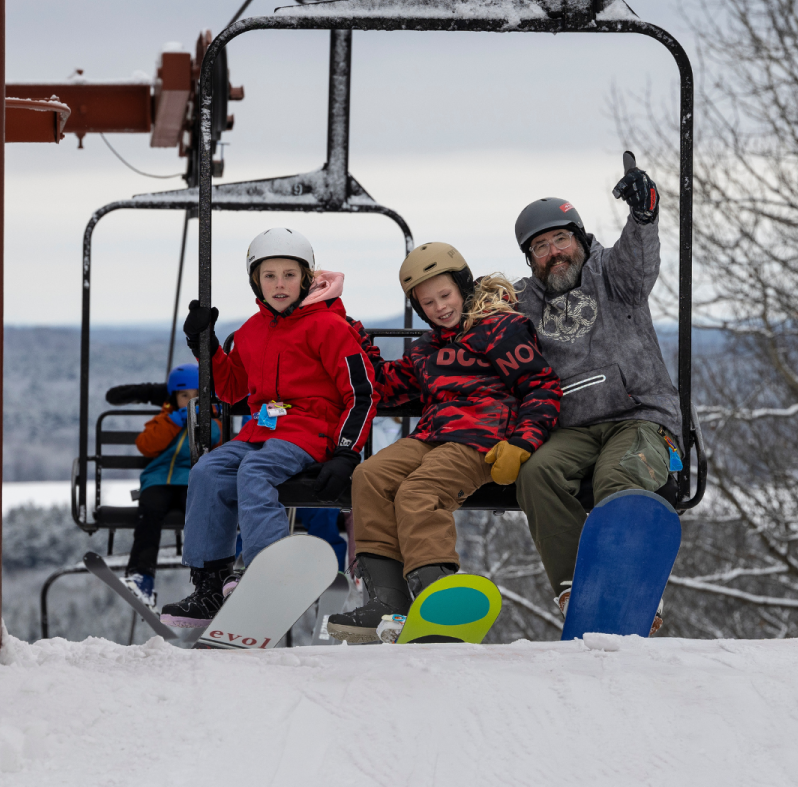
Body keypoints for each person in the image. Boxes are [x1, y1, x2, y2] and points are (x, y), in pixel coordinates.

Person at [326, 242, 562, 643]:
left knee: (418, 491)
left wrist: (522, 442)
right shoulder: (427, 351)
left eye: (445, 295)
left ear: (463, 287)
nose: (439, 307)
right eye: (428, 302)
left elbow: (540, 387)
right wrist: (344, 328)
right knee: (370, 476)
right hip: (434, 435)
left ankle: (436, 594)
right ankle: (387, 600)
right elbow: (384, 385)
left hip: (482, 439)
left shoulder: (502, 329)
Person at [159, 227, 377, 628]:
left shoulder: (330, 327)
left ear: (306, 278)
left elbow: (361, 394)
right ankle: (209, 584)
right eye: (269, 275)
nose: (279, 284)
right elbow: (232, 389)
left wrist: (347, 451)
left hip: (311, 432)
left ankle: (269, 577)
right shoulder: (252, 331)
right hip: (260, 431)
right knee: (208, 470)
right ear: (255, 281)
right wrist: (205, 346)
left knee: (254, 471)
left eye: (289, 275)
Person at [511, 154, 681, 630]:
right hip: (572, 427)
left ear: (580, 239)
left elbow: (639, 258)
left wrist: (643, 215)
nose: (554, 252)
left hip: (638, 416)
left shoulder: (614, 276)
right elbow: (479, 317)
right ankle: (575, 587)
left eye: (561, 238)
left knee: (617, 477)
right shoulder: (525, 300)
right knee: (536, 473)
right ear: (530, 258)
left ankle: (635, 585)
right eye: (541, 247)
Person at [118, 363, 219, 608]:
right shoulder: (164, 421)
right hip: (159, 479)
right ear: (174, 398)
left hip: (192, 480)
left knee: (199, 518)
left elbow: (218, 442)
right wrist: (174, 422)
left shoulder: (214, 421)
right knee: (149, 514)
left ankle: (207, 579)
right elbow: (146, 445)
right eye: (185, 396)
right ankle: (141, 575)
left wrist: (203, 421)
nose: (191, 401)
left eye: (197, 396)